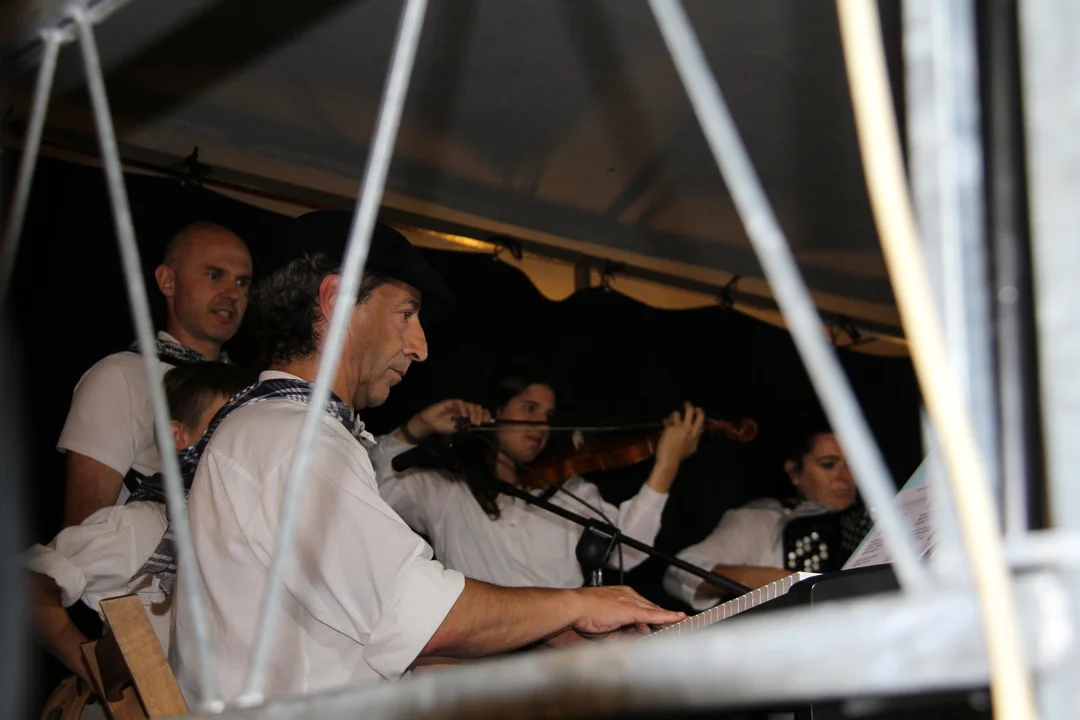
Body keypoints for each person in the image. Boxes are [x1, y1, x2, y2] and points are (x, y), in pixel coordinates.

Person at [171, 211, 685, 705]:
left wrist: (555, 632)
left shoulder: (277, 430)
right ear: (337, 301)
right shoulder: (292, 441)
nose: (419, 346)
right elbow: (422, 616)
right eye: (406, 313)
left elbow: (380, 630)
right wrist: (577, 605)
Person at [26, 362, 255, 681]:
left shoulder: (251, 535)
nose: (243, 444)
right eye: (228, 426)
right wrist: (97, 676)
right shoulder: (146, 526)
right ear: (178, 435)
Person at [370, 376, 706, 589]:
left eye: (547, 417)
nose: (541, 425)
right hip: (477, 660)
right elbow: (377, 487)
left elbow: (627, 551)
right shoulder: (448, 490)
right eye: (529, 408)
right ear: (497, 412)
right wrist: (417, 427)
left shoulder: (570, 493)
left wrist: (667, 464)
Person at [58, 223, 253, 528]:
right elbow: (82, 531)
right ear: (167, 281)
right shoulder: (120, 377)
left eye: (242, 282)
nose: (233, 294)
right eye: (215, 275)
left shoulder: (252, 393)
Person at [663, 422, 862, 610]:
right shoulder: (762, 521)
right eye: (828, 464)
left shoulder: (874, 521)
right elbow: (681, 572)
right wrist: (788, 581)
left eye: (853, 464)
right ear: (794, 473)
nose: (844, 477)